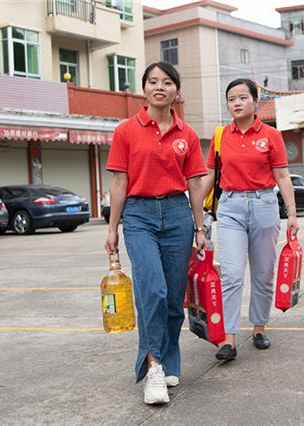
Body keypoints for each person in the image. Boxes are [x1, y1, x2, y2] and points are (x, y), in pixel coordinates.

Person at [104, 62, 208, 405]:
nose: (159, 87)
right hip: (139, 216)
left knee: (175, 299)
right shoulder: (126, 131)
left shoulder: (187, 135)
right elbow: (119, 182)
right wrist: (112, 228)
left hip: (178, 215)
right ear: (144, 89)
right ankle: (152, 370)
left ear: (177, 90)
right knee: (154, 292)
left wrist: (199, 227)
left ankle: (170, 360)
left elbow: (195, 184)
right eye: (152, 81)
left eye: (166, 82)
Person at [201, 78, 299, 361]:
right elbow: (209, 176)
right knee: (231, 274)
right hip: (230, 206)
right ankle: (228, 338)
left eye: (242, 97)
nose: (236, 103)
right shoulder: (221, 136)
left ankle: (258, 328)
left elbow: (282, 176)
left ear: (256, 102)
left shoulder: (271, 136)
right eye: (231, 99)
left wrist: (291, 213)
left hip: (264, 205)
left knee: (263, 273)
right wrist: (194, 209)